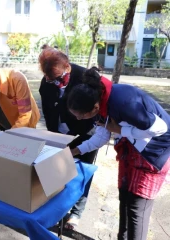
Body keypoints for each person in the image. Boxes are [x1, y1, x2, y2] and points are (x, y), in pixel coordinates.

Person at [67, 68, 170, 240]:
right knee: (125, 198)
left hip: (154, 151)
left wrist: (120, 129)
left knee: (137, 208)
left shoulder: (124, 102)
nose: (78, 119)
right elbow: (102, 134)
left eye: (80, 116)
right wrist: (75, 151)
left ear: (94, 108)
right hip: (131, 149)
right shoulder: (98, 102)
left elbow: (160, 128)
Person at [38, 47, 102, 228]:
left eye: (58, 79)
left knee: (83, 171)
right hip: (60, 134)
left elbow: (95, 111)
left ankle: (77, 212)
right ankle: (59, 207)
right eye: (50, 80)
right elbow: (48, 112)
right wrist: (53, 136)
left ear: (67, 66)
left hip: (86, 132)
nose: (55, 83)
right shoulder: (47, 83)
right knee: (59, 170)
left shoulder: (86, 78)